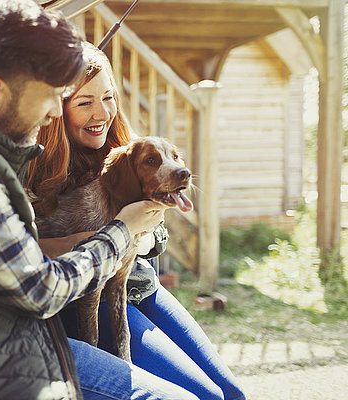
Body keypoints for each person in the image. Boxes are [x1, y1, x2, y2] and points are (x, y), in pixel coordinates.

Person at [0, 0, 200, 399]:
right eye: (51, 95)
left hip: (16, 330)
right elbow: (41, 289)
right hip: (2, 356)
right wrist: (123, 231)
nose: (55, 111)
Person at [26, 42, 246, 400]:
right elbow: (28, 253)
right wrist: (107, 236)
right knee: (208, 397)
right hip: (86, 298)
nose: (102, 113)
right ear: (57, 108)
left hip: (141, 287)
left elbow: (155, 236)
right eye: (84, 102)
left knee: (231, 393)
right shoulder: (36, 166)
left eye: (109, 97)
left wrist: (143, 235)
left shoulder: (126, 147)